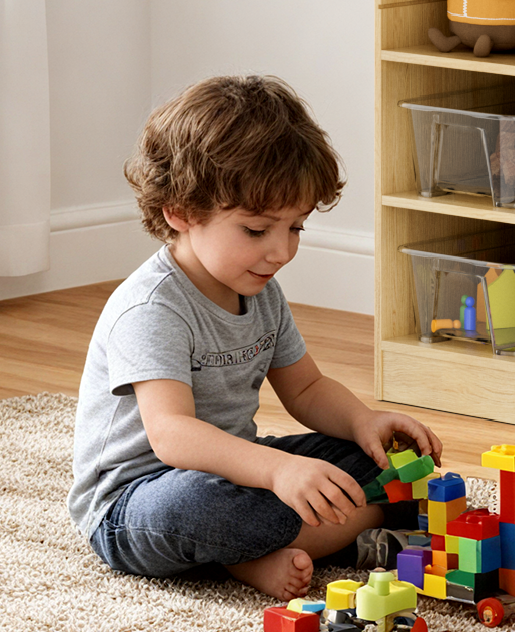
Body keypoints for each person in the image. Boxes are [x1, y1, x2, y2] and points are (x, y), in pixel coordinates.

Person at [68, 74, 441, 599]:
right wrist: (277, 470)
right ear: (180, 211)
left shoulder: (258, 289)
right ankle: (300, 540)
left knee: (379, 461)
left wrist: (365, 422)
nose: (281, 252)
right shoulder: (152, 308)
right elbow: (171, 434)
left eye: (296, 228)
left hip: (237, 467)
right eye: (257, 230)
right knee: (208, 506)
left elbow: (306, 389)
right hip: (138, 503)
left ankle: (288, 538)